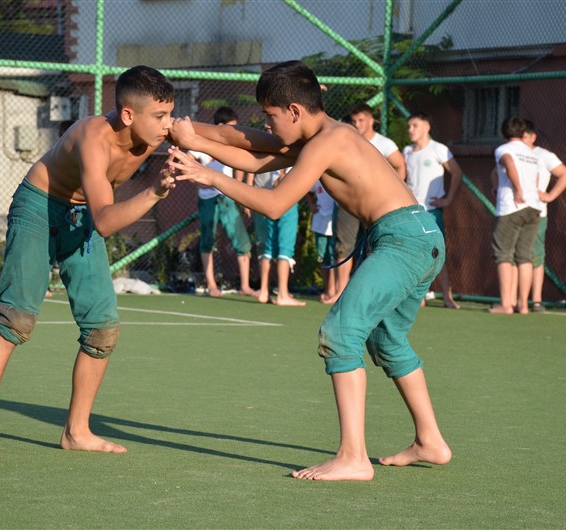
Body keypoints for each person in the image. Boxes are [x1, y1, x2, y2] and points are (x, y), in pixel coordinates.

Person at [168, 60, 451, 481]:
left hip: (402, 241)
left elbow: (275, 203)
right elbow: (247, 143)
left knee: (340, 333)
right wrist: (192, 135)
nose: (267, 123)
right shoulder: (329, 133)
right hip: (421, 236)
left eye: (270, 115)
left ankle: (353, 458)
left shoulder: (325, 144)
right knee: (387, 340)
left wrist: (210, 175)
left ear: (295, 112)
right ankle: (430, 440)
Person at [0, 65, 177, 461]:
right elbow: (106, 221)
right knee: (16, 319)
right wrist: (154, 193)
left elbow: (228, 139)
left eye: (170, 114)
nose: (168, 125)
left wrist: (296, 148)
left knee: (102, 330)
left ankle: (76, 432)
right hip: (39, 206)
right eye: (160, 116)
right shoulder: (93, 138)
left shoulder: (158, 129)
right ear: (128, 115)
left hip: (81, 215)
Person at [322, 103, 408, 305]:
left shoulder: (385, 144)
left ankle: (371, 295)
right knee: (343, 247)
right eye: (354, 120)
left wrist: (391, 192)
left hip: (376, 206)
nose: (357, 124)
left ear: (371, 120)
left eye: (361, 120)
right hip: (348, 202)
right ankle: (340, 292)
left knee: (375, 248)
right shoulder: (346, 139)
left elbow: (400, 165)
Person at [188, 106, 258, 297]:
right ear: (220, 126)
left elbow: (243, 163)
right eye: (231, 127)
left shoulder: (231, 145)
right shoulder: (201, 143)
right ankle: (211, 285)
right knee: (207, 240)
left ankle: (245, 286)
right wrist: (200, 182)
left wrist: (238, 185)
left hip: (227, 197)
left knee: (241, 239)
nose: (234, 131)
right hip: (207, 199)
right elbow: (187, 161)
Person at [402, 112, 463, 309]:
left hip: (432, 212)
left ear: (426, 127)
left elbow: (456, 173)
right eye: (409, 126)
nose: (410, 129)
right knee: (413, 254)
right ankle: (417, 297)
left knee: (437, 254)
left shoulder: (439, 149)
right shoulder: (407, 151)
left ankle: (447, 297)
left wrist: (448, 199)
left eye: (415, 125)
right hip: (411, 212)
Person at [489, 116, 542, 315]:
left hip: (511, 206)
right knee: (525, 255)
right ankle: (523, 304)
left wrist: (518, 190)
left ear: (504, 133)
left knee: (503, 253)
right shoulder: (532, 153)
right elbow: (536, 177)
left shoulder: (504, 149)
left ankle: (506, 304)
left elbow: (509, 163)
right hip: (533, 207)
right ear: (523, 133)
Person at [522, 121, 566, 311]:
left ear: (533, 137)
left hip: (537, 214)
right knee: (512, 256)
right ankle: (515, 300)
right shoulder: (511, 152)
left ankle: (536, 300)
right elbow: (496, 174)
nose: (521, 140)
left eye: (525, 136)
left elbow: (565, 174)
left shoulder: (543, 155)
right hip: (513, 213)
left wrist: (549, 196)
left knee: (535, 255)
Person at [256, 167, 306, 306]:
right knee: (285, 247)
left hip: (271, 200)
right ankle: (283, 294)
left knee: (269, 246)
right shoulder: (292, 157)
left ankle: (264, 291)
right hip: (287, 201)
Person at [307, 178, 337, 302]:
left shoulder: (336, 180)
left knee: (333, 258)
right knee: (323, 258)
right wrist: (312, 205)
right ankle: (327, 290)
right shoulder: (316, 179)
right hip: (319, 224)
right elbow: (307, 190)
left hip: (334, 224)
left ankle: (333, 291)